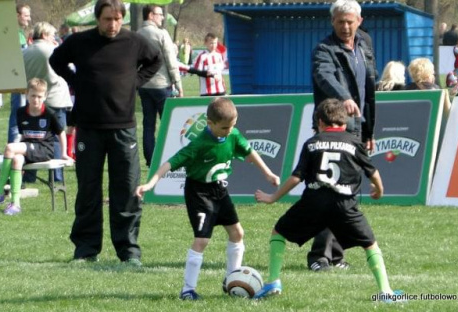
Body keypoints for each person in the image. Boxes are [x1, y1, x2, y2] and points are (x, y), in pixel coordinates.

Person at [253, 99, 404, 303]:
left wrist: (273, 197)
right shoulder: (354, 142)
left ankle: (273, 282)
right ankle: (385, 291)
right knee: (370, 244)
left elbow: (296, 177)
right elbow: (373, 172)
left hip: (314, 202)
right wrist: (379, 189)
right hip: (345, 204)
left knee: (278, 232)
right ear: (344, 123)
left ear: (320, 122)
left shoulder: (312, 143)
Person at [49, 0, 162, 264]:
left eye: (117, 19)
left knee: (126, 189)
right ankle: (86, 250)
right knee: (88, 191)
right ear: (97, 19)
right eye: (107, 19)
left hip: (123, 128)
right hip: (88, 128)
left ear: (123, 18)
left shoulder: (134, 41)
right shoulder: (79, 42)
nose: (112, 24)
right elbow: (56, 60)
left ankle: (129, 251)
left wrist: (136, 81)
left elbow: (155, 60)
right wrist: (75, 80)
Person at [135, 97, 280, 300]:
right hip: (199, 193)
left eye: (232, 125)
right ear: (209, 123)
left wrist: (267, 173)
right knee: (202, 240)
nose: (229, 130)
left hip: (220, 190)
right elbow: (169, 163)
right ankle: (187, 290)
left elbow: (250, 151)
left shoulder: (233, 134)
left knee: (237, 233)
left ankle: (231, 278)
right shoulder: (199, 144)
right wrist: (150, 184)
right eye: (224, 127)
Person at [309, 0, 377, 272]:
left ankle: (336, 256)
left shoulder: (365, 45)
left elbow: (369, 90)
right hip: (333, 126)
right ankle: (318, 257)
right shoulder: (324, 50)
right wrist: (345, 98)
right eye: (340, 22)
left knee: (348, 193)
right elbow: (324, 77)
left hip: (357, 128)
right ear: (332, 22)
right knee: (329, 191)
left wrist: (369, 130)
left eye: (350, 21)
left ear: (359, 21)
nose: (346, 26)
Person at [0, 78, 70, 216]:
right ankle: (15, 204)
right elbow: (24, 135)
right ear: (27, 94)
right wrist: (19, 147)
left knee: (11, 148)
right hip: (29, 148)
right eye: (33, 95)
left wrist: (64, 153)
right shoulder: (21, 112)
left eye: (39, 96)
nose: (36, 99)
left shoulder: (49, 113)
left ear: (45, 96)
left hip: (43, 149)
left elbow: (61, 133)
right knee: (16, 159)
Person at [23, 22, 73, 182]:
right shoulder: (52, 50)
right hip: (54, 97)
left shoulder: (25, 52)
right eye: (52, 35)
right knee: (57, 137)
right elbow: (70, 66)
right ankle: (57, 175)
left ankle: (30, 175)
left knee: (32, 137)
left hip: (33, 99)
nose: (54, 38)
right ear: (45, 35)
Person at [137, 5, 183, 167]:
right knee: (169, 124)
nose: (162, 17)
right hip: (162, 84)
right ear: (151, 15)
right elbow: (171, 61)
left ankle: (150, 159)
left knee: (148, 125)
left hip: (143, 85)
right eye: (160, 14)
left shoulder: (136, 35)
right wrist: (178, 83)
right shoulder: (161, 34)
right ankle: (170, 158)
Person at [9, 4, 31, 144]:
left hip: (25, 80)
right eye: (26, 15)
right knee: (17, 117)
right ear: (17, 15)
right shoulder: (12, 33)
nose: (29, 19)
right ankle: (12, 150)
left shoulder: (21, 34)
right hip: (18, 81)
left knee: (24, 117)